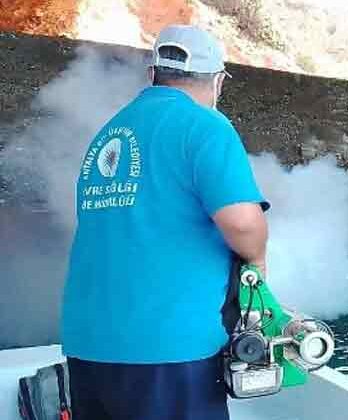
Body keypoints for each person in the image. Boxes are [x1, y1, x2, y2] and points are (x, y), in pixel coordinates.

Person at [60, 25, 269, 420]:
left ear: (152, 73)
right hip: (168, 347)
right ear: (219, 81)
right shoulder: (206, 126)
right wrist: (257, 263)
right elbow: (242, 223)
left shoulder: (110, 134)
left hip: (87, 345)